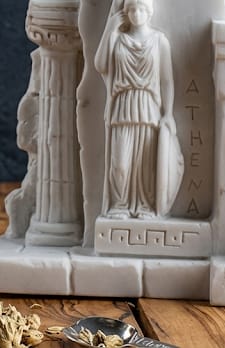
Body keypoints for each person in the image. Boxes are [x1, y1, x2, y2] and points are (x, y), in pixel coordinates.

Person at [95, 0, 183, 219]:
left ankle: (145, 205)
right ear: (126, 13)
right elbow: (100, 65)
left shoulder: (159, 41)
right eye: (132, 9)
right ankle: (120, 204)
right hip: (122, 106)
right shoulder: (117, 39)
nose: (136, 13)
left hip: (148, 107)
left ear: (150, 11)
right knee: (120, 164)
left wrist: (168, 113)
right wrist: (110, 28)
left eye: (141, 8)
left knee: (145, 164)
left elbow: (167, 81)